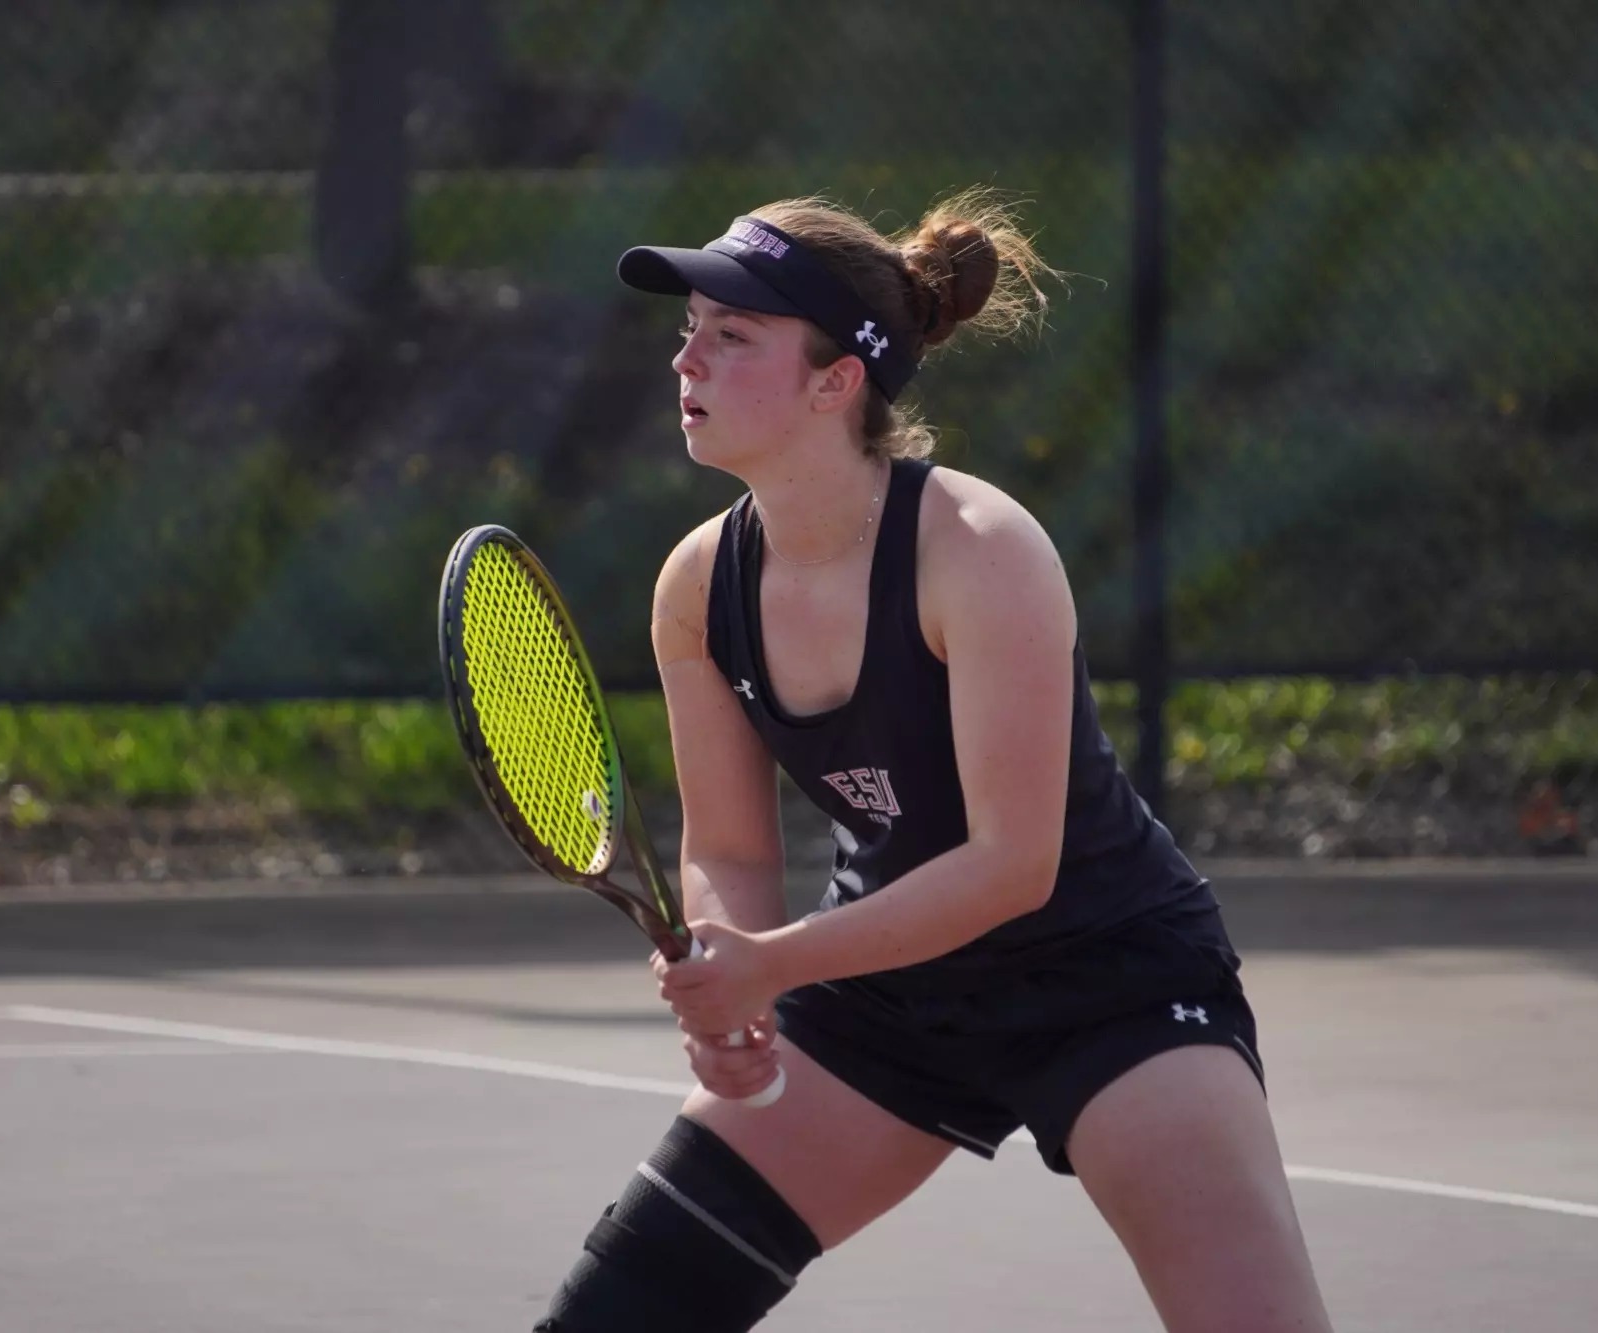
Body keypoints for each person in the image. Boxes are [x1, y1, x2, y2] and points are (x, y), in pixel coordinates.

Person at [533, 189, 1333, 1332]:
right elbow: (728, 849)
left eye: (732, 335)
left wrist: (773, 964)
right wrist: (730, 978)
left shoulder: (979, 552)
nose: (685, 359)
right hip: (884, 994)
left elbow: (1013, 864)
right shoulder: (698, 586)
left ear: (835, 381)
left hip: (1107, 983)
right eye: (689, 328)